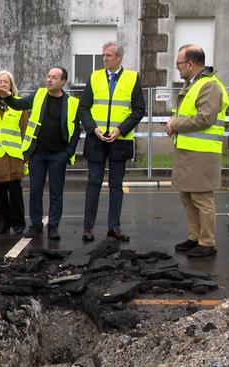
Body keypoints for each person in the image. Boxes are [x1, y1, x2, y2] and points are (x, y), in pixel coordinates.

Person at [0, 67, 81, 240]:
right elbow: (20, 105)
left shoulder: (72, 103)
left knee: (56, 193)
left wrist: (68, 152)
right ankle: (36, 225)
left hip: (59, 155)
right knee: (35, 191)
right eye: (48, 76)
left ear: (63, 82)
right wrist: (8, 97)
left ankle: (53, 227)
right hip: (38, 154)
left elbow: (76, 131)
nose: (49, 80)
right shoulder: (39, 94)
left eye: (54, 77)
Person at [79, 41, 145, 242]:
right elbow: (83, 108)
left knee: (117, 185)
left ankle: (114, 227)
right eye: (103, 55)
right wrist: (93, 129)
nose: (104, 58)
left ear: (119, 57)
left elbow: (139, 110)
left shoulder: (132, 78)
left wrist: (120, 130)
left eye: (108, 55)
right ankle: (88, 228)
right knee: (94, 183)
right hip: (97, 139)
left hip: (120, 140)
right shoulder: (95, 76)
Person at [166, 44, 229, 258]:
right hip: (188, 151)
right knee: (187, 195)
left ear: (190, 64)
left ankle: (207, 242)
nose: (178, 68)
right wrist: (176, 126)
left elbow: (205, 118)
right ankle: (195, 237)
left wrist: (175, 124)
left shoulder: (209, 86)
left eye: (179, 64)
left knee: (202, 198)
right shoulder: (194, 85)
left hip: (202, 153)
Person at [0, 70, 28, 235]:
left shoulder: (19, 104)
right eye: (0, 81)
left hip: (15, 154)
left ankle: (18, 223)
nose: (2, 84)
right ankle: (3, 222)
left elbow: (24, 130)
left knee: (15, 191)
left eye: (6, 82)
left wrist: (26, 156)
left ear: (11, 85)